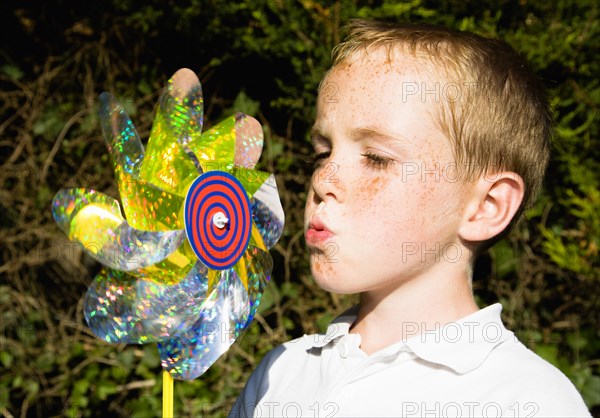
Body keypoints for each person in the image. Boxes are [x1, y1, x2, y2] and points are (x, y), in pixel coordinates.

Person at [229, 19, 591, 417]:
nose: (324, 178)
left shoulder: (526, 400)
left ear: (487, 206)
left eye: (377, 158)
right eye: (322, 152)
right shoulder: (281, 373)